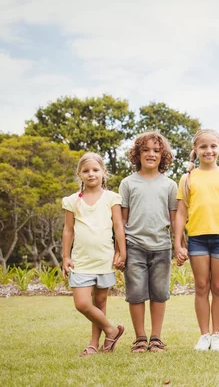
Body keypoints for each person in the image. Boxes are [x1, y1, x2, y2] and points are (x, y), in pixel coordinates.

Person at [174, 129, 219, 351]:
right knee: (202, 286)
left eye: (213, 146)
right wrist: (178, 243)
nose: (208, 150)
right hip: (197, 239)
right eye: (203, 147)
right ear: (195, 150)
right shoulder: (187, 178)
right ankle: (204, 335)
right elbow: (181, 213)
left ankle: (217, 335)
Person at [118, 131, 178, 353]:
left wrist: (180, 244)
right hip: (134, 246)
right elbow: (121, 220)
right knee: (136, 294)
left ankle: (156, 338)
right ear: (137, 154)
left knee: (159, 294)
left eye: (156, 150)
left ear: (163, 155)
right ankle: (140, 338)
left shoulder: (170, 185)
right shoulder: (128, 183)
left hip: (162, 246)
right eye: (146, 150)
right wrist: (120, 251)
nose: (151, 154)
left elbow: (174, 219)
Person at [61, 152, 125, 356]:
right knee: (82, 304)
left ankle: (94, 344)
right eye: (86, 171)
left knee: (100, 303)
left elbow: (118, 227)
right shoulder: (72, 201)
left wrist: (121, 252)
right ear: (79, 174)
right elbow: (68, 230)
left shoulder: (111, 198)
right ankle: (112, 330)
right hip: (81, 261)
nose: (91, 174)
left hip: (104, 259)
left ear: (103, 172)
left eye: (95, 170)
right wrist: (65, 256)